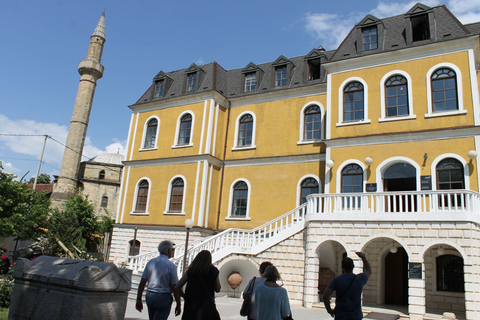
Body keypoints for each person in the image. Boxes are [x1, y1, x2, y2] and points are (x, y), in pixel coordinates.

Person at [136, 240, 181, 320]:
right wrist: (178, 303)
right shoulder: (171, 266)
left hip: (150, 295)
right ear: (169, 251)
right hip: (164, 296)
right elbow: (174, 286)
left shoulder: (151, 262)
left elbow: (143, 281)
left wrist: (139, 298)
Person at [323, 252, 372, 320]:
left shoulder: (337, 280)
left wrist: (329, 310)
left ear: (342, 267)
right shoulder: (360, 279)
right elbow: (368, 271)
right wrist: (363, 257)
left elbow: (325, 295)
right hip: (356, 316)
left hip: (341, 316)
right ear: (353, 266)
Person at [175, 250, 221, 320]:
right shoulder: (213, 270)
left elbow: (178, 286)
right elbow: (218, 289)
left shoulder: (191, 270)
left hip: (191, 305)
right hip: (206, 305)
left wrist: (184, 296)